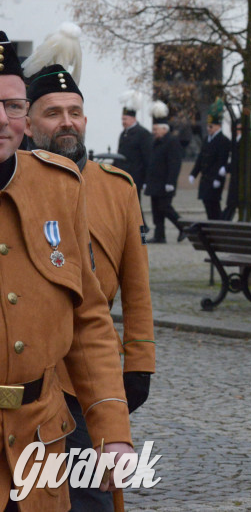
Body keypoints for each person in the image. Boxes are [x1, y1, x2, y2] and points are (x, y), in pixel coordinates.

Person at [0, 31, 134, 509]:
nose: (3, 119)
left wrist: (112, 428)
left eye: (13, 105)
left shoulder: (60, 187)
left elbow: (89, 319)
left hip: (43, 440)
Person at [145, 101, 185, 243]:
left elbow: (174, 163)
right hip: (155, 182)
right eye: (153, 129)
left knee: (165, 207)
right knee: (156, 210)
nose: (154, 132)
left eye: (156, 129)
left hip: (165, 182)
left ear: (164, 129)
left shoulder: (172, 142)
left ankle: (183, 227)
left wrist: (170, 181)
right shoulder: (156, 141)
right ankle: (159, 235)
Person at [189, 99, 231, 220]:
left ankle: (217, 225)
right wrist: (194, 173)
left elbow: (222, 161)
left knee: (214, 204)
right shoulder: (207, 139)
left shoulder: (223, 141)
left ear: (218, 126)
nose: (208, 128)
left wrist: (219, 178)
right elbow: (201, 158)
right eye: (207, 126)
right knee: (207, 203)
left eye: (211, 126)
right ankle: (213, 223)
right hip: (206, 177)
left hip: (214, 177)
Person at [115, 89, 152, 224]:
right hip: (124, 174)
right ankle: (139, 225)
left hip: (137, 174)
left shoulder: (143, 134)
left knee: (135, 202)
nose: (123, 122)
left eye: (125, 119)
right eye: (122, 119)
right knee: (127, 202)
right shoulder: (123, 133)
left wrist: (147, 178)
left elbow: (148, 158)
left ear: (133, 119)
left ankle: (142, 225)